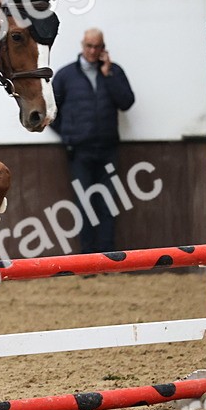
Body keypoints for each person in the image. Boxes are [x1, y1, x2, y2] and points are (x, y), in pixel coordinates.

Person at [50, 28, 136, 253]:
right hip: (79, 152)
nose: (92, 51)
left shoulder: (114, 72)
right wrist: (68, 134)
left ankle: (108, 256)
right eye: (89, 46)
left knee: (108, 203)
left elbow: (126, 102)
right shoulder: (66, 75)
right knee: (84, 203)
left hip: (108, 149)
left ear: (103, 48)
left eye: (97, 46)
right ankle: (87, 258)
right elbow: (51, 110)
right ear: (82, 45)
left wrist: (108, 75)